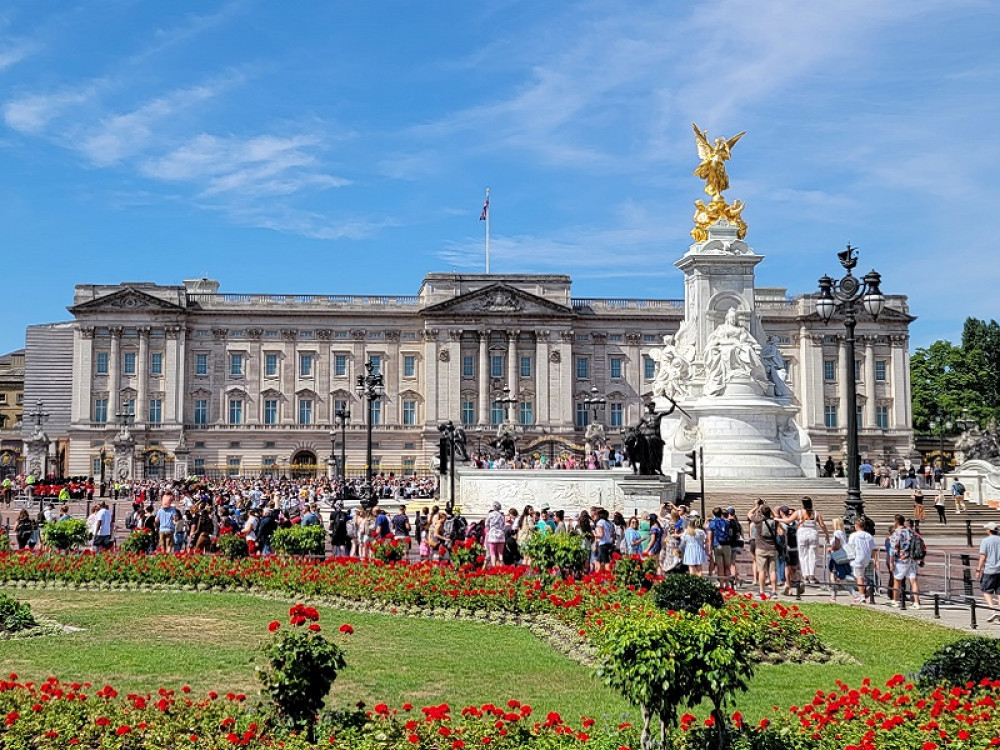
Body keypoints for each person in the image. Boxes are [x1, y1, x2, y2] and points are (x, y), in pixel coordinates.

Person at [888, 514, 921, 609]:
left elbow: (893, 549)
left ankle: (895, 600)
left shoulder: (896, 533)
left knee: (897, 580)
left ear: (897, 522)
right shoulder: (911, 531)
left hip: (901, 560)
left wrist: (891, 562)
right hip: (911, 559)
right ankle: (916, 602)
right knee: (913, 581)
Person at [749, 501, 780, 598]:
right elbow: (777, 517)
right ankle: (774, 591)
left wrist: (757, 507)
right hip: (772, 548)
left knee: (761, 570)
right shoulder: (774, 521)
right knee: (773, 571)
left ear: (761, 513)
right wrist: (770, 508)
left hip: (761, 548)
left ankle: (762, 591)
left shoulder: (758, 521)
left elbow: (749, 514)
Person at [797, 497, 829, 584]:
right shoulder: (816, 514)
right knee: (813, 555)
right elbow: (822, 525)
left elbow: (788, 520)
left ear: (802, 504)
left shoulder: (799, 513)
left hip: (802, 534)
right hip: (813, 534)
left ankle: (805, 575)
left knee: (803, 555)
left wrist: (777, 518)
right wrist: (827, 534)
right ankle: (812, 575)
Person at [849, 517, 876, 604]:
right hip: (866, 558)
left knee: (859, 577)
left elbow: (850, 548)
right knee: (860, 575)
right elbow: (873, 548)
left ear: (856, 525)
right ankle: (865, 588)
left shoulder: (854, 535)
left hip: (857, 558)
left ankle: (862, 596)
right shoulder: (868, 536)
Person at [827, 518, 852, 601]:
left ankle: (854, 594)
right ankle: (833, 596)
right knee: (836, 577)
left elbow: (837, 546)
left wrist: (831, 548)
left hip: (836, 556)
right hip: (842, 555)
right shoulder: (842, 533)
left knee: (836, 576)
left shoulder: (837, 533)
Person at [979, 522, 1000, 620]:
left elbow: (983, 556)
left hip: (990, 569)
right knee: (999, 592)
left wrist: (978, 569)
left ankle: (992, 610)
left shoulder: (985, 541)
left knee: (986, 590)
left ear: (989, 531)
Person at [707, 507, 732, 585]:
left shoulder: (712, 523)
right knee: (727, 566)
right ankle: (727, 584)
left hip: (717, 545)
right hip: (727, 545)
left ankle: (721, 584)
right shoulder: (727, 522)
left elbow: (710, 538)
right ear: (721, 513)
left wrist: (709, 549)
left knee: (720, 566)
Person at [484, 501, 506, 567]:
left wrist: (488, 531)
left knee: (492, 553)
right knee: (500, 553)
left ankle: (494, 568)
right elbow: (503, 525)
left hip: (493, 534)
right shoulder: (502, 515)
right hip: (501, 535)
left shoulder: (490, 514)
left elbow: (486, 524)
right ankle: (501, 567)